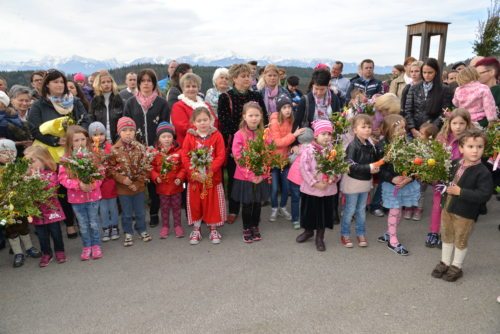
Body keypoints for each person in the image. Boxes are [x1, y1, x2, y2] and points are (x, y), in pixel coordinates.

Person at [28, 69, 89, 239]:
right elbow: (34, 129)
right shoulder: (39, 105)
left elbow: (85, 119)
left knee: (77, 182)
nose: (60, 85)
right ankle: (69, 223)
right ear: (47, 85)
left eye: (62, 82)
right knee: (62, 188)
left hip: (74, 150)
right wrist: (56, 141)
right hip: (51, 154)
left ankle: (82, 219)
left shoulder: (74, 102)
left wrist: (74, 135)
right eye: (55, 82)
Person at [431, 129, 493, 282]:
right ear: (461, 148)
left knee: (460, 240)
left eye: (479, 147)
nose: (475, 150)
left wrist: (461, 192)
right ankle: (444, 262)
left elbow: (484, 195)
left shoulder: (482, 172)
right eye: (470, 146)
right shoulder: (453, 164)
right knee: (446, 236)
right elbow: (445, 181)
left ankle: (456, 266)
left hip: (466, 214)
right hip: (448, 208)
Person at [218, 64, 267, 224]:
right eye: (243, 76)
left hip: (256, 140)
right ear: (234, 78)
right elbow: (224, 122)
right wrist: (243, 132)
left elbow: (263, 117)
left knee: (255, 172)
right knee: (235, 176)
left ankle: (252, 205)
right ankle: (233, 209)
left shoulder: (256, 96)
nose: (248, 79)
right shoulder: (225, 97)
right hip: (236, 142)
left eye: (249, 76)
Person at [124, 68, 169, 227]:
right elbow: (126, 126)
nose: (146, 84)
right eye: (142, 81)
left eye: (149, 81)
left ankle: (154, 212)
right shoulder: (130, 103)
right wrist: (133, 145)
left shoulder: (161, 103)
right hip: (136, 150)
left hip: (156, 150)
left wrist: (158, 146)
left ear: (154, 83)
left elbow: (164, 127)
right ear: (138, 83)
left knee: (154, 183)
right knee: (137, 182)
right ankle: (137, 213)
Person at [426, 109, 472, 247]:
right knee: (437, 204)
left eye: (462, 123)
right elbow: (433, 155)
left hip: (459, 179)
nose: (458, 127)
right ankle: (433, 232)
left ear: (467, 124)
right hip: (442, 178)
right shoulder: (442, 137)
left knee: (452, 207)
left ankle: (445, 234)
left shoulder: (470, 139)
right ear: (449, 123)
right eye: (454, 123)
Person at [181, 107, 226, 245]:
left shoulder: (216, 135)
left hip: (211, 178)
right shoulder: (190, 136)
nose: (202, 123)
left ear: (210, 120)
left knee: (212, 204)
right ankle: (196, 229)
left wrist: (209, 171)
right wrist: (193, 172)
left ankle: (213, 229)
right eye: (199, 120)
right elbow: (184, 155)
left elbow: (220, 155)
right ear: (194, 122)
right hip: (195, 180)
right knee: (196, 204)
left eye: (205, 119)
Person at [58, 126, 103, 261]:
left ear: (87, 140)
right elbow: (62, 179)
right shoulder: (66, 159)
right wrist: (79, 185)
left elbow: (101, 173)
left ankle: (96, 245)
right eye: (76, 140)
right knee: (82, 224)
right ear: (70, 142)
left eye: (83, 139)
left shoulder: (93, 155)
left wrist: (93, 184)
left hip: (93, 197)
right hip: (76, 199)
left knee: (94, 222)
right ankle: (86, 246)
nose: (80, 142)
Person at [377, 114, 420, 256]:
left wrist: (410, 177)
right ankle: (393, 241)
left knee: (399, 209)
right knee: (395, 210)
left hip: (406, 183)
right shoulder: (382, 146)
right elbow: (379, 169)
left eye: (403, 127)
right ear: (389, 130)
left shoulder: (409, 143)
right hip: (392, 185)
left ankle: (389, 233)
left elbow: (417, 164)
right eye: (398, 128)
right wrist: (392, 178)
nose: (402, 131)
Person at [107, 117, 153, 246]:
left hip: (138, 187)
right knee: (126, 213)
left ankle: (142, 229)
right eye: (125, 130)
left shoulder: (140, 148)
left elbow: (146, 167)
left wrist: (138, 183)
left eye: (131, 130)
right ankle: (128, 232)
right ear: (119, 132)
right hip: (123, 189)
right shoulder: (114, 149)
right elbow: (110, 170)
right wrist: (122, 179)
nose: (128, 133)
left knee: (140, 211)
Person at [295, 120, 339, 251]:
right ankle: (308, 231)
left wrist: (334, 177)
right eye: (323, 134)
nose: (327, 137)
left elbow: (338, 168)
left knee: (323, 215)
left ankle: (320, 237)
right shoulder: (308, 150)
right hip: (311, 190)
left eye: (329, 134)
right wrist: (315, 183)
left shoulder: (334, 151)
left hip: (328, 190)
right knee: (309, 212)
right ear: (316, 136)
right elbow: (304, 168)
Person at [232, 102, 270, 242]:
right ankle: (246, 227)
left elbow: (268, 154)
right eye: (251, 115)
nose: (254, 118)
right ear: (244, 117)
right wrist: (250, 175)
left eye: (257, 115)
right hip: (245, 177)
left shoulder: (264, 134)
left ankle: (255, 226)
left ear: (261, 117)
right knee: (247, 204)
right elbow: (238, 156)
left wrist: (262, 174)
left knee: (257, 203)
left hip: (260, 176)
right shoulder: (239, 134)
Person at [0, 139, 42, 267]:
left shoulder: (19, 167)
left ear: (14, 153)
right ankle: (18, 252)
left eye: (9, 152)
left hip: (20, 204)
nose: (6, 156)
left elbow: (26, 181)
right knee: (11, 229)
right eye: (2, 153)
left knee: (23, 226)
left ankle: (29, 247)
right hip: (5, 206)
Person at [340, 114, 379, 248]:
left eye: (369, 127)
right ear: (355, 130)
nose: (367, 130)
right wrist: (369, 168)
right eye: (363, 127)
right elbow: (350, 166)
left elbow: (373, 163)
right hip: (353, 183)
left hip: (365, 183)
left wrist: (375, 168)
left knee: (361, 210)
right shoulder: (352, 146)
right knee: (350, 210)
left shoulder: (370, 145)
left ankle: (360, 233)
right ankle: (345, 234)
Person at [24, 145, 66, 267]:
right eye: (28, 162)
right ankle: (46, 253)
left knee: (56, 233)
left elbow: (52, 188)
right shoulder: (28, 177)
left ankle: (60, 251)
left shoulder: (50, 174)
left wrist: (37, 181)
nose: (30, 164)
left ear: (43, 159)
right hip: (37, 212)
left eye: (33, 161)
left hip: (52, 211)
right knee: (42, 236)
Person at [268, 95, 305, 223]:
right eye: (284, 107)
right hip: (273, 160)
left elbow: (294, 140)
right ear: (279, 109)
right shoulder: (274, 122)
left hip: (287, 160)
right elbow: (277, 142)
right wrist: (293, 135)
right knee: (274, 188)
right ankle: (274, 208)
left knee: (286, 187)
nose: (288, 110)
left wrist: (294, 145)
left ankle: (283, 207)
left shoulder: (292, 121)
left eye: (289, 107)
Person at [151, 122, 186, 239]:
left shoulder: (179, 151)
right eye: (163, 137)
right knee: (164, 208)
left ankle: (177, 226)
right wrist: (156, 177)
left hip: (176, 187)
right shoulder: (155, 153)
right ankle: (165, 226)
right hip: (162, 187)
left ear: (173, 137)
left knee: (176, 207)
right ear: (159, 138)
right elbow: (151, 168)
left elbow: (184, 167)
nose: (167, 139)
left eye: (169, 136)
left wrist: (180, 177)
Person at [404, 58, 452, 137]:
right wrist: (412, 129)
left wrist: (431, 129)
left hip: (434, 131)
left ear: (436, 72)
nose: (426, 75)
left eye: (430, 72)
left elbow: (444, 112)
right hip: (415, 130)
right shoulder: (414, 88)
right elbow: (408, 110)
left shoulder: (444, 89)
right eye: (424, 72)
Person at [88, 122, 120, 242]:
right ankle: (106, 227)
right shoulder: (90, 150)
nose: (99, 137)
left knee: (113, 207)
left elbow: (115, 163)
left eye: (101, 134)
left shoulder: (109, 147)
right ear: (91, 136)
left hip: (110, 182)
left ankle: (115, 226)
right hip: (98, 185)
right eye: (95, 134)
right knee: (103, 209)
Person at [171, 73, 218, 147]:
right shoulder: (178, 106)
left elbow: (215, 121)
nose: (191, 89)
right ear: (183, 89)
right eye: (188, 86)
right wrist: (205, 130)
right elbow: (182, 127)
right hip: (189, 145)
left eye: (194, 86)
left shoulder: (206, 105)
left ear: (198, 88)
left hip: (210, 143)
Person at [287, 128, 314, 229]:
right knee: (306, 200)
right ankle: (304, 218)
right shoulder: (313, 149)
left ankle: (295, 219)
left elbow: (290, 160)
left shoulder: (297, 148)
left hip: (294, 177)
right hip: (306, 179)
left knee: (295, 199)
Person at [90, 71, 124, 143]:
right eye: (103, 82)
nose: (106, 84)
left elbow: (124, 121)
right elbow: (91, 121)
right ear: (99, 84)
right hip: (100, 141)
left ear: (112, 83)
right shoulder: (94, 101)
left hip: (118, 140)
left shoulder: (119, 99)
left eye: (109, 82)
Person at [0, 90, 31, 157]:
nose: (24, 103)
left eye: (27, 100)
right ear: (12, 101)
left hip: (18, 155)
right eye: (21, 100)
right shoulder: (10, 117)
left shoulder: (7, 120)